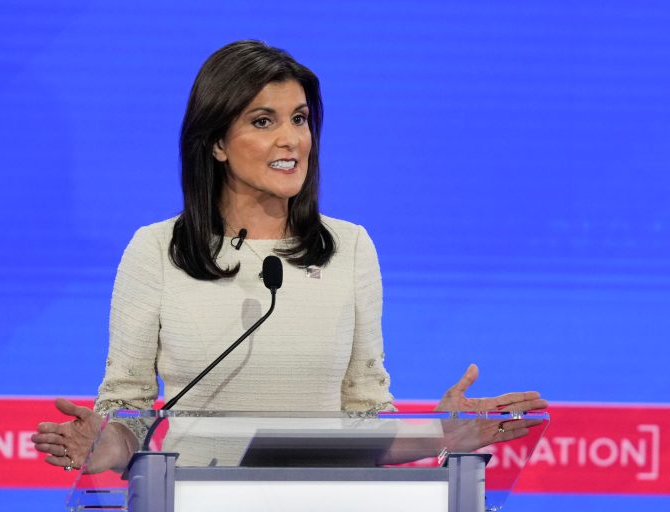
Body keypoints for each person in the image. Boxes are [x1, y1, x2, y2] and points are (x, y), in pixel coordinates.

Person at [31, 40, 547, 474]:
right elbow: (132, 409)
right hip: (189, 497)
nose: (291, 139)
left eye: (299, 119)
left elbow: (364, 418)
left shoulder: (350, 248)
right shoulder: (156, 250)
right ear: (216, 143)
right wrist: (107, 445)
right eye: (263, 121)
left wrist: (441, 433)